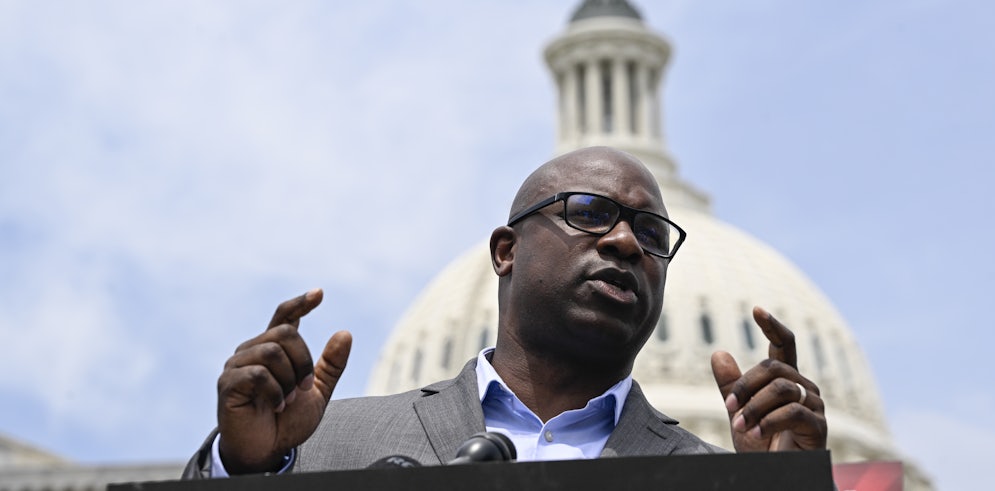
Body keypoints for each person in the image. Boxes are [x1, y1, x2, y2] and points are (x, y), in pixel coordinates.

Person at [183, 146, 826, 477]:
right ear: (505, 251)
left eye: (652, 235)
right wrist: (245, 472)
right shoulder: (323, 445)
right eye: (590, 213)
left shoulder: (719, 479)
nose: (627, 242)